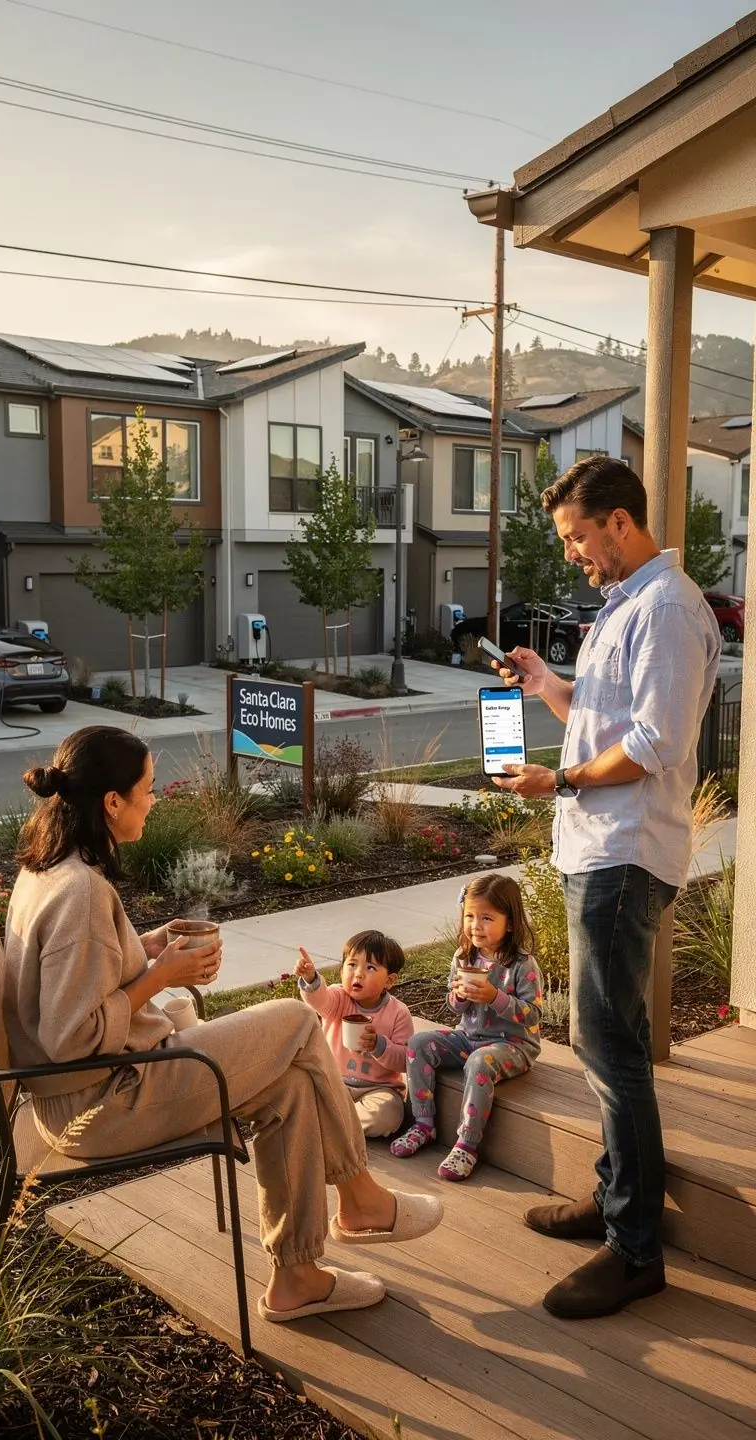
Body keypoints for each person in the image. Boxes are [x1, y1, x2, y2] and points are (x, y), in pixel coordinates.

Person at [2, 726, 443, 1326]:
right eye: (149, 790)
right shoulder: (80, 889)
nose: (154, 801)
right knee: (296, 1020)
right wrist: (160, 975)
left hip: (100, 1088)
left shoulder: (51, 868)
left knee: (289, 1088)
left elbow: (79, 976)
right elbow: (70, 1036)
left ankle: (297, 1278)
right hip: (104, 1102)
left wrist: (146, 944)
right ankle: (360, 1196)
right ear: (112, 802)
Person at [490, 455, 721, 1319]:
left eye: (579, 536)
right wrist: (548, 686)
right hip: (600, 849)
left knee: (610, 1047)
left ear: (619, 521)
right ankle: (613, 1198)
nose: (574, 555)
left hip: (625, 854)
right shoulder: (629, 605)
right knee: (604, 1039)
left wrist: (564, 781)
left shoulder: (666, 608)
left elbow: (654, 744)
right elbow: (605, 717)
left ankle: (634, 1249)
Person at [390, 874, 543, 1180]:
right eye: (470, 916)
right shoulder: (463, 956)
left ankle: (467, 1145)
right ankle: (423, 1124)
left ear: (510, 923)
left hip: (513, 1045)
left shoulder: (522, 965)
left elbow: (533, 1015)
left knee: (479, 1062)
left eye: (487, 918)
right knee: (419, 1044)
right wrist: (459, 996)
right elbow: (453, 1004)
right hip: (468, 1036)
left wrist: (496, 998)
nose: (476, 925)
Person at [294, 931, 413, 1138]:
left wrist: (378, 1045)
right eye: (352, 965)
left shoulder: (398, 1013)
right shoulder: (339, 998)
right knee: (301, 1091)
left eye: (370, 968)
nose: (358, 974)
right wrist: (311, 978)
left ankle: (332, 1124)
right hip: (335, 1082)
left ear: (390, 980)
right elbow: (319, 1000)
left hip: (378, 1089)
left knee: (388, 1113)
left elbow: (404, 1060)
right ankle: (341, 1124)